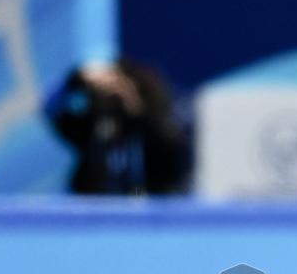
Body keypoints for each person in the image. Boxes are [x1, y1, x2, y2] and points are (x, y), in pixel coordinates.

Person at [43, 56, 192, 195]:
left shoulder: (155, 132)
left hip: (151, 213)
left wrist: (137, 112)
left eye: (119, 90)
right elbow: (49, 107)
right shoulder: (92, 130)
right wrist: (78, 77)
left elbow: (174, 161)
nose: (112, 98)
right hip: (95, 211)